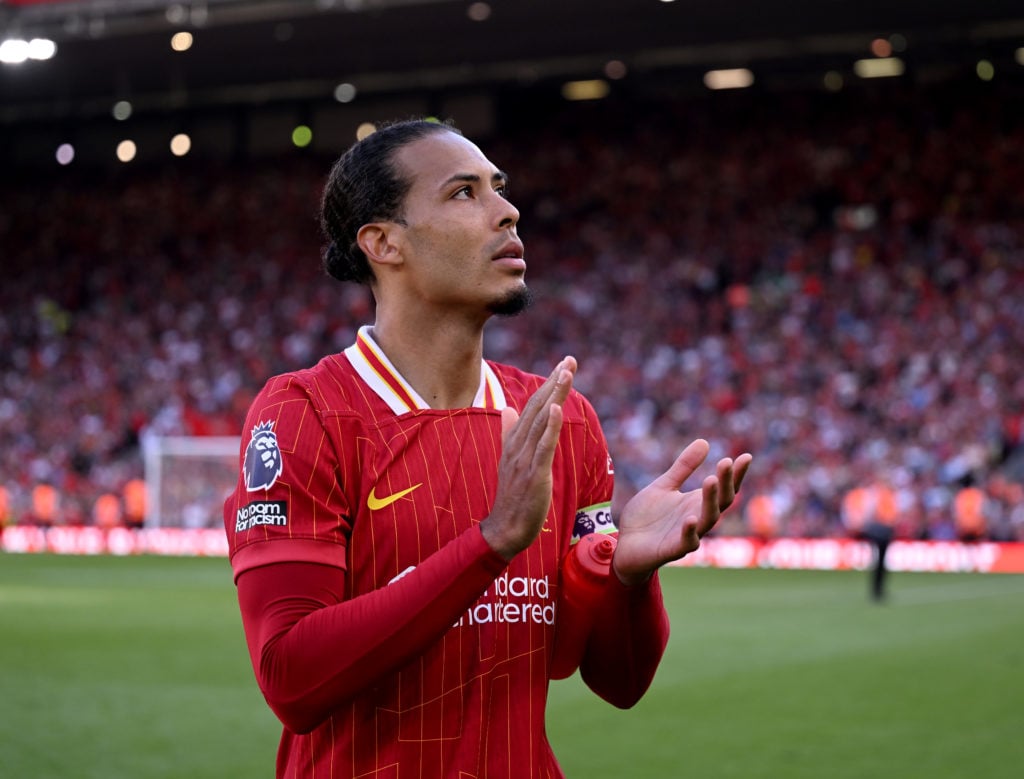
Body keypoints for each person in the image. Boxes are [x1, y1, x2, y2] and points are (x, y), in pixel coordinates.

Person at [223, 118, 753, 778]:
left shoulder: (560, 418)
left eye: (499, 188)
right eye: (464, 193)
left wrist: (625, 576)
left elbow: (607, 677)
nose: (508, 210)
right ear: (384, 242)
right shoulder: (307, 413)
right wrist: (492, 540)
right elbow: (292, 678)